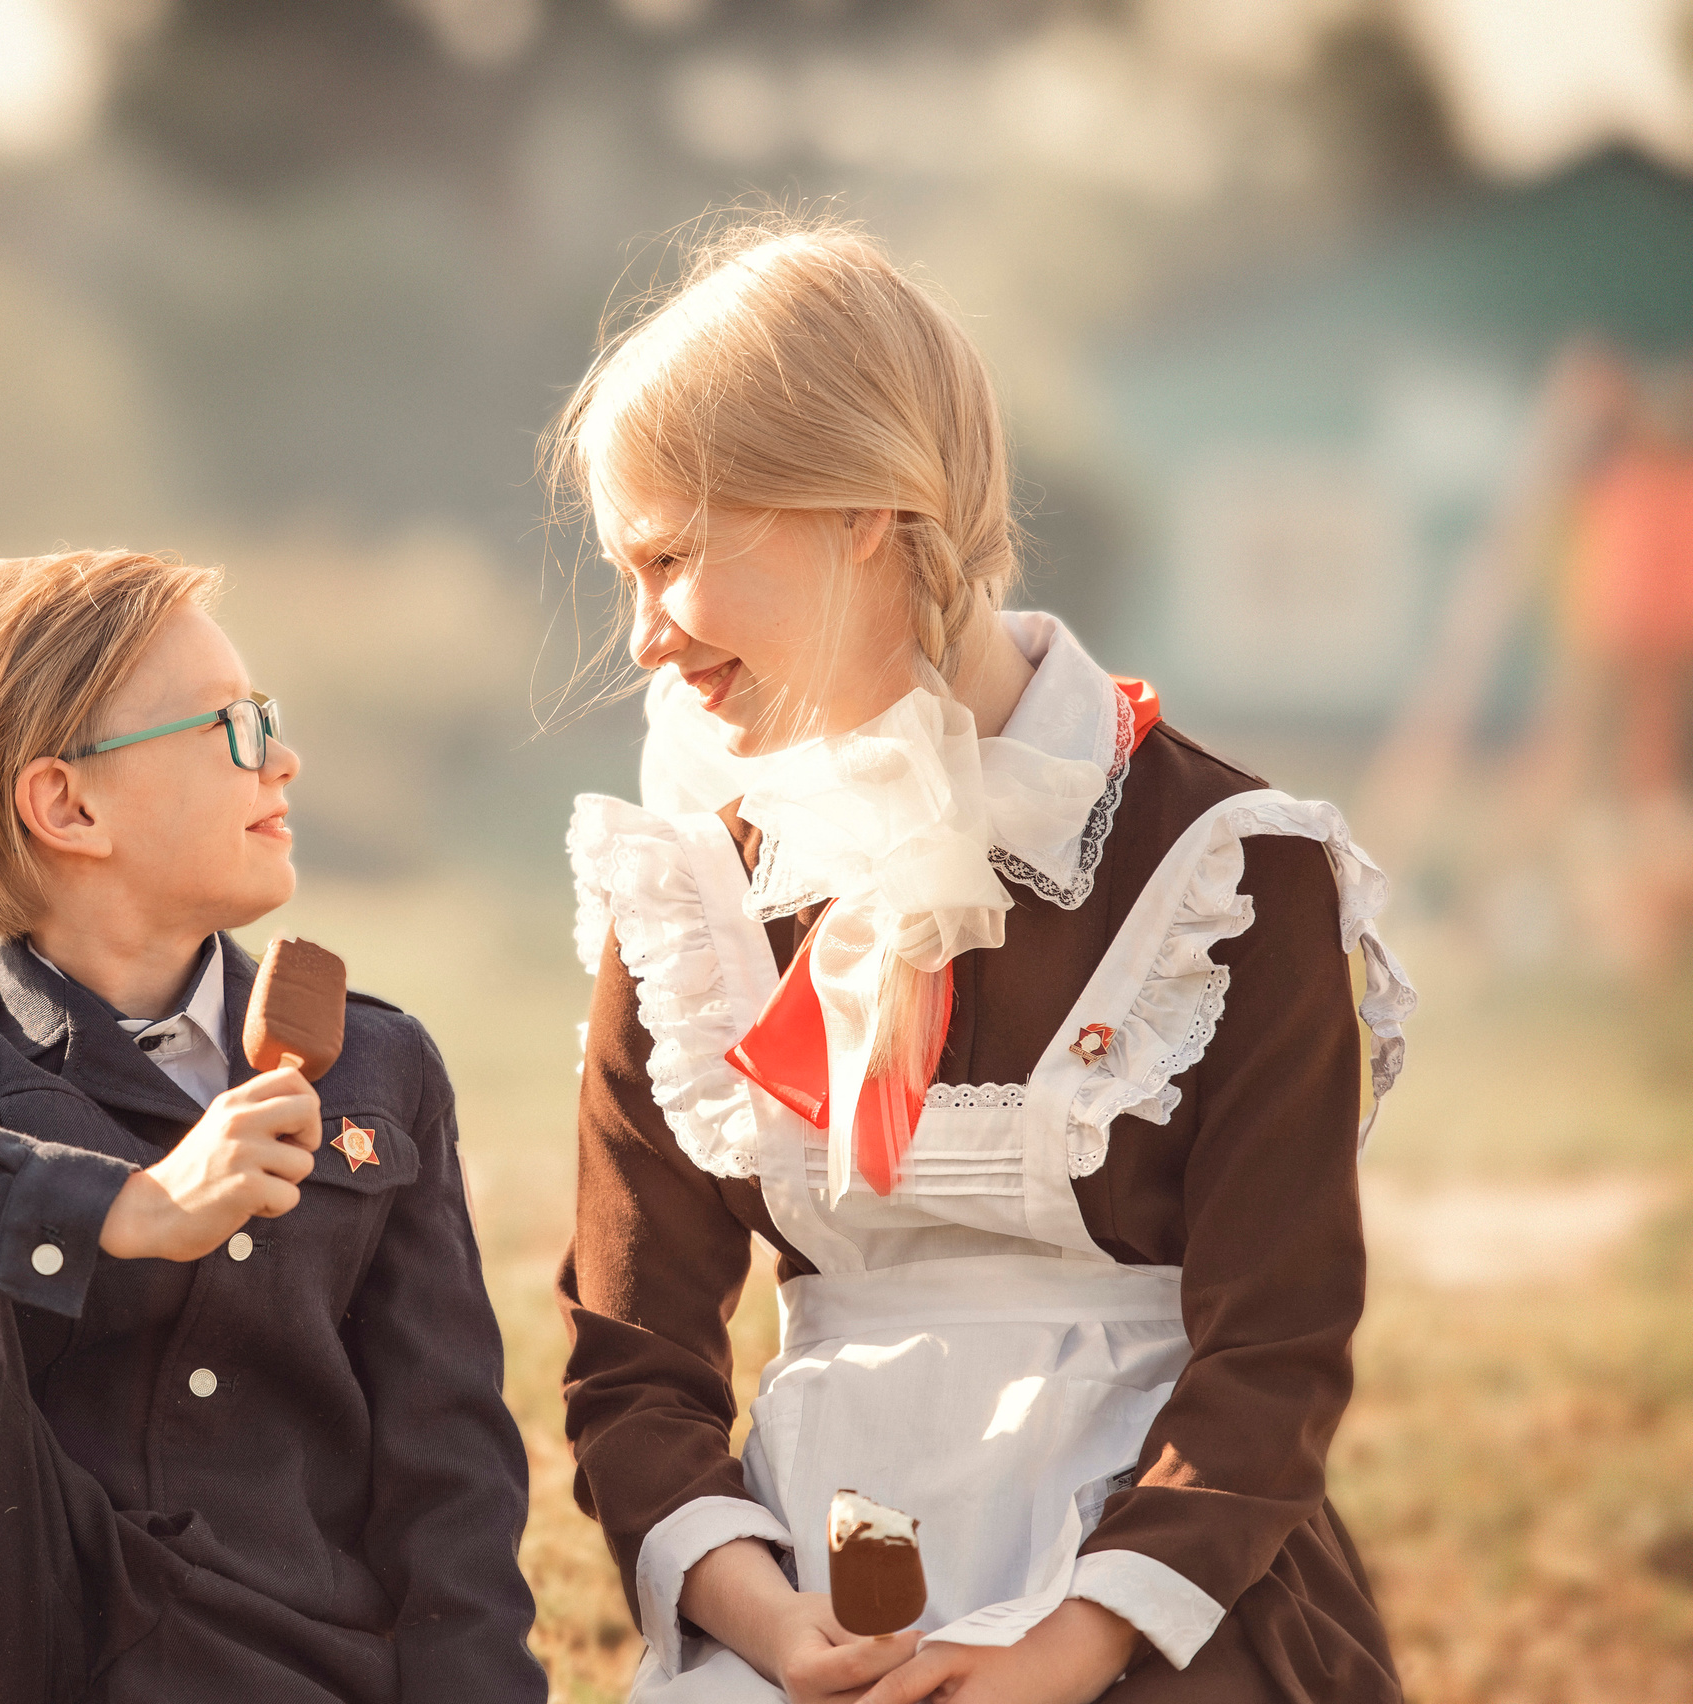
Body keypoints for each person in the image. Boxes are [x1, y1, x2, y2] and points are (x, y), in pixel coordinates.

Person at [550, 220, 1416, 1702]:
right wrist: (768, 1629)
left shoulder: (1232, 871)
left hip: (1157, 1608)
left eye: (672, 558)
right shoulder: (691, 888)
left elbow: (1277, 1347)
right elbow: (633, 1355)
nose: (642, 637)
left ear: (860, 509)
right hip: (809, 1602)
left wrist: (1064, 1648)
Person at [0, 549, 543, 1704]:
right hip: (38, 1650)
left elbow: (446, 1456)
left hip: (296, 1663)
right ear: (69, 804)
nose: (285, 757)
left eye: (270, 719)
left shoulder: (379, 1064)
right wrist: (126, 1207)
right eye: (234, 729)